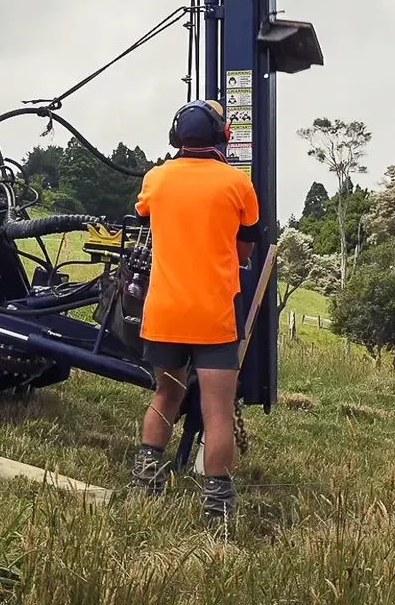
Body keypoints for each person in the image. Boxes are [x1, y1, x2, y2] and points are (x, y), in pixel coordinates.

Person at [127, 98, 259, 523]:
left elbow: (146, 217)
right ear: (224, 137)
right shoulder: (238, 185)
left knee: (166, 393)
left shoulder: (156, 179)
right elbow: (244, 248)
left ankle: (146, 480)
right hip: (214, 316)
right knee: (217, 410)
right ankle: (217, 505)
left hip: (164, 313)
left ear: (176, 137)